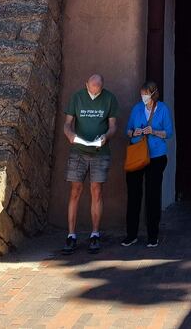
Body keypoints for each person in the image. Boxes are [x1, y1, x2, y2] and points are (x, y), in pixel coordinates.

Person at [62, 72, 119, 253]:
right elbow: (67, 123)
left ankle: (95, 234)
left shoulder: (110, 99)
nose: (95, 93)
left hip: (99, 152)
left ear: (102, 87)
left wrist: (106, 137)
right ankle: (71, 235)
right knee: (75, 190)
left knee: (96, 190)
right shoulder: (77, 97)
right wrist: (69, 134)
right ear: (86, 84)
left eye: (98, 90)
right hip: (78, 151)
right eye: (92, 89)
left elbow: (113, 126)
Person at [122, 80, 174, 248]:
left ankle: (153, 235)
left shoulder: (163, 109)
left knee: (152, 195)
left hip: (156, 157)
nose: (143, 97)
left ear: (153, 94)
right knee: (134, 194)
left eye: (146, 94)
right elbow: (128, 129)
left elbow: (169, 133)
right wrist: (133, 132)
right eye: (141, 94)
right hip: (138, 154)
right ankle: (131, 234)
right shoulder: (137, 109)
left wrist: (154, 131)